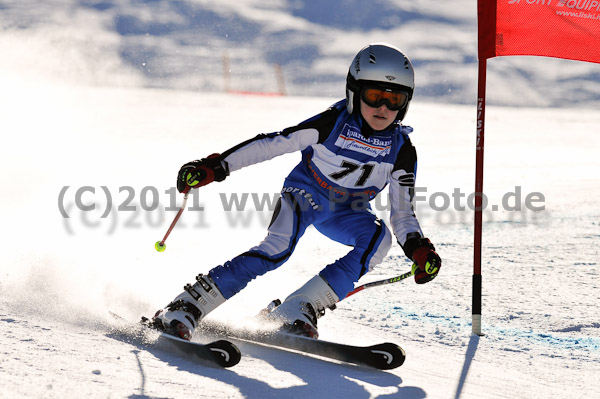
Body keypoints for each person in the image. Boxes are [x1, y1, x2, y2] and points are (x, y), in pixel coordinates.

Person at [152, 43, 442, 340]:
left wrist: (417, 249)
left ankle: (299, 308)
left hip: (348, 211)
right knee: (277, 249)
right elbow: (273, 144)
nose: (383, 108)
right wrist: (216, 167)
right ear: (355, 92)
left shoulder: (402, 151)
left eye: (394, 99)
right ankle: (187, 304)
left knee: (379, 239)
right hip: (305, 196)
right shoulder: (332, 124)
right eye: (374, 96)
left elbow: (403, 212)